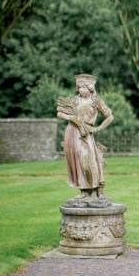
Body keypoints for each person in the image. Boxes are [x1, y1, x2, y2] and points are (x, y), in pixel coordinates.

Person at [56, 74, 114, 208]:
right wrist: (71, 118)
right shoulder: (75, 100)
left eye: (83, 87)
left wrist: (97, 129)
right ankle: (84, 192)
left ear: (90, 88)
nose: (80, 89)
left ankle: (94, 191)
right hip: (72, 132)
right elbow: (59, 112)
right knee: (77, 162)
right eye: (79, 87)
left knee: (87, 160)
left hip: (86, 133)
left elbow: (110, 116)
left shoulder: (96, 101)